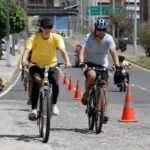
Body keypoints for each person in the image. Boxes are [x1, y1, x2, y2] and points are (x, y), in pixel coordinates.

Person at [23, 17, 71, 120]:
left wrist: (67, 61)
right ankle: (34, 109)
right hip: (36, 66)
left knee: (55, 83)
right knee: (36, 83)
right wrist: (25, 60)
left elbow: (62, 50)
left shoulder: (56, 37)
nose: (47, 29)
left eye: (50, 27)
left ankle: (53, 105)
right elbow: (27, 50)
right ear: (41, 27)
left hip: (51, 66)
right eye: (45, 27)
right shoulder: (34, 38)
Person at [79, 19, 119, 122]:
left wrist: (117, 65)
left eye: (103, 30)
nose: (101, 32)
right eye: (99, 30)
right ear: (95, 29)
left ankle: (104, 113)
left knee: (104, 88)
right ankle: (87, 93)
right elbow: (82, 50)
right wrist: (81, 62)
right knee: (92, 76)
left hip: (103, 65)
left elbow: (113, 53)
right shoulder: (88, 37)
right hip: (90, 63)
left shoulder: (108, 38)